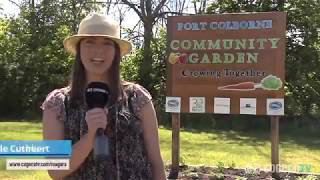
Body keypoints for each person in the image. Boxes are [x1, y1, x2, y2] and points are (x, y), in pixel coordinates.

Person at [41, 13, 166, 180]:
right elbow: (55, 170)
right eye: (90, 42)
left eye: (107, 44)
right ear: (79, 50)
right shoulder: (57, 103)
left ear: (116, 51)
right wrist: (90, 135)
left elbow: (156, 161)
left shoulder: (137, 98)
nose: (98, 50)